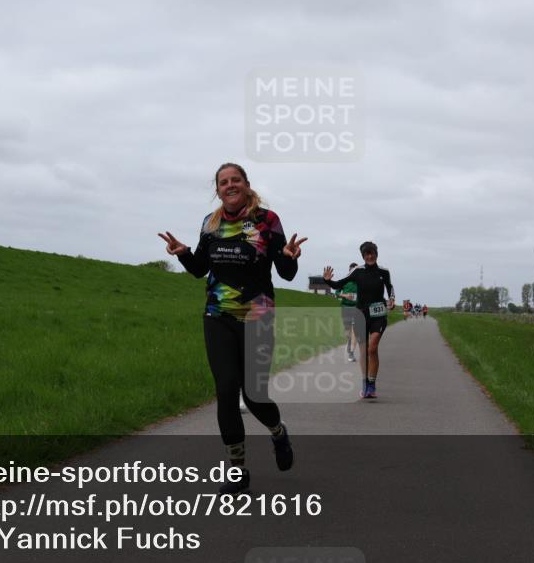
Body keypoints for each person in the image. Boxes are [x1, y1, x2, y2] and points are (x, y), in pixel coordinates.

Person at [159, 162, 306, 495]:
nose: (229, 186)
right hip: (218, 316)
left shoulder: (267, 221)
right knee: (226, 390)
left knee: (254, 396)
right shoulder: (210, 224)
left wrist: (290, 256)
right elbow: (200, 269)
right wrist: (183, 254)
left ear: (246, 184)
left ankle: (278, 432)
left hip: (258, 316)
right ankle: (238, 470)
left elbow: (286, 273)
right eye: (223, 182)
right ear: (218, 189)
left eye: (235, 180)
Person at [322, 242, 395, 399]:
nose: (369, 256)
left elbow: (390, 287)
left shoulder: (384, 271)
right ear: (363, 256)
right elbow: (340, 283)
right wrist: (328, 281)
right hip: (361, 314)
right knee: (363, 350)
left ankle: (372, 384)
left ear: (376, 254)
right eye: (366, 254)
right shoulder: (357, 271)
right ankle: (365, 383)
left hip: (379, 314)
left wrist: (392, 299)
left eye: (372, 253)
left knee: (372, 348)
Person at [336, 263, 360, 362]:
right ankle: (349, 343)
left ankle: (351, 353)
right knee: (348, 331)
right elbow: (336, 293)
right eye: (351, 271)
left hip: (356, 308)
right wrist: (345, 296)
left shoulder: (361, 282)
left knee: (355, 331)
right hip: (345, 308)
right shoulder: (344, 281)